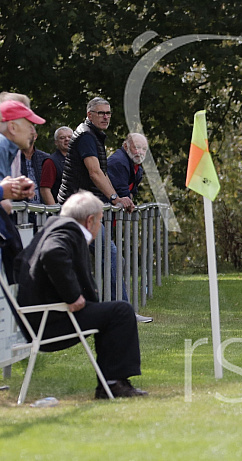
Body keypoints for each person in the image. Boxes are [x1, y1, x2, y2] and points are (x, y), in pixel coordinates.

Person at [13, 190, 147, 399]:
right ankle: (113, 383)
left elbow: (20, 261)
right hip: (49, 324)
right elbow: (53, 254)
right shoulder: (68, 231)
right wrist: (72, 295)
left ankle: (111, 383)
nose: (99, 228)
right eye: (100, 221)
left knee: (109, 312)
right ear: (90, 220)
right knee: (121, 310)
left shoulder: (52, 227)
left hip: (36, 320)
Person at [56, 98, 151, 322]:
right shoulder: (87, 136)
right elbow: (94, 172)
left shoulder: (91, 134)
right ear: (89, 115)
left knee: (101, 259)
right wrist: (115, 198)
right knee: (110, 256)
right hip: (76, 210)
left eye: (108, 113)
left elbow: (101, 171)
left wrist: (115, 198)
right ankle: (122, 312)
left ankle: (107, 310)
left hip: (80, 207)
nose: (106, 117)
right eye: (100, 113)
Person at [108, 133, 147, 202]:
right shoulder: (118, 162)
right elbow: (122, 192)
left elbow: (132, 192)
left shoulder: (137, 168)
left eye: (144, 149)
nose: (140, 152)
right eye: (137, 147)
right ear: (126, 146)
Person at [39, 126, 73, 205]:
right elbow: (45, 189)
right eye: (62, 138)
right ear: (56, 142)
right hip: (62, 211)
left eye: (70, 137)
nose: (67, 139)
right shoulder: (50, 162)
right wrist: (55, 212)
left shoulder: (80, 160)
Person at [19, 135, 49, 204]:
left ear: (35, 136)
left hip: (43, 208)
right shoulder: (13, 157)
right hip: (20, 208)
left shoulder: (45, 158)